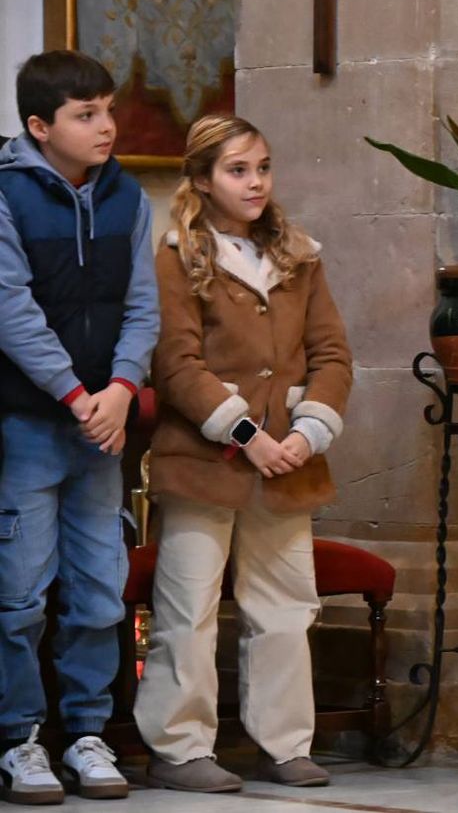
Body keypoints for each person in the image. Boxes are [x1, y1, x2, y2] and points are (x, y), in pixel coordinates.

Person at [134, 115, 352, 793]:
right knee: (189, 606)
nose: (255, 181)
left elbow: (332, 355)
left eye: (262, 166)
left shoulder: (298, 254)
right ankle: (179, 745)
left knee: (286, 604)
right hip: (206, 462)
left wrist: (304, 432)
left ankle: (285, 742)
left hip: (289, 460)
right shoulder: (176, 255)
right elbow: (175, 363)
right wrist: (244, 433)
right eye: (237, 170)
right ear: (201, 179)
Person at [0, 51, 159, 803]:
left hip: (104, 424)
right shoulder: (7, 192)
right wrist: (76, 394)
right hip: (30, 421)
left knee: (100, 589)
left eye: (108, 109)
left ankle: (89, 731)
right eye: (85, 114)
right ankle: (20, 739)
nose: (106, 126)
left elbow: (142, 306)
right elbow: (12, 311)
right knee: (21, 594)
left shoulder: (127, 195)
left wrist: (123, 388)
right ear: (39, 126)